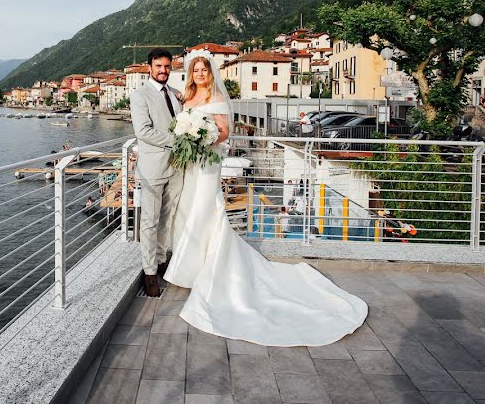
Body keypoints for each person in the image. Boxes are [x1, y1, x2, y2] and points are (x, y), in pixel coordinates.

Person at [163, 49, 367, 346]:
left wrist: (203, 137)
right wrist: (188, 137)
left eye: (204, 70)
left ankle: (208, 269)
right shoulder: (187, 98)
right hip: (190, 165)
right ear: (191, 73)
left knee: (206, 212)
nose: (200, 74)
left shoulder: (218, 98)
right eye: (195, 70)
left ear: (210, 73)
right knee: (186, 211)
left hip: (207, 164)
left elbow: (224, 132)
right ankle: (189, 267)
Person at [129, 48, 184, 298]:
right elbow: (143, 131)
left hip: (177, 167)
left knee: (168, 217)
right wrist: (178, 141)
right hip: (153, 168)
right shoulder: (139, 95)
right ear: (148, 67)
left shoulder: (175, 95)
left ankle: (162, 259)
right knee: (149, 222)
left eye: (167, 66)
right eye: (159, 66)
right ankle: (149, 273)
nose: (163, 70)